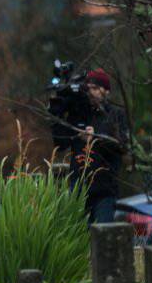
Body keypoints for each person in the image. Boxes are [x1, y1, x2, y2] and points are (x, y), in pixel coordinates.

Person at [51, 68, 129, 224]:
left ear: (106, 90)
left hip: (105, 189)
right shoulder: (80, 113)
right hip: (78, 187)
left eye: (95, 88)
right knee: (79, 240)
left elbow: (122, 146)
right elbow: (60, 144)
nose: (91, 92)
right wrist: (56, 115)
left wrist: (96, 137)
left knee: (103, 237)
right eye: (89, 89)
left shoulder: (116, 115)